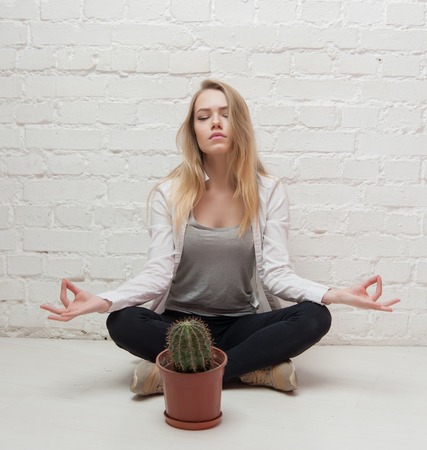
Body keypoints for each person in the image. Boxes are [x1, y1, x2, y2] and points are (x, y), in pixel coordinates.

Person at [40, 79, 400, 396]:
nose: (214, 122)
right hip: (178, 325)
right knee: (121, 321)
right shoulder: (169, 193)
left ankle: (176, 373)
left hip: (242, 324)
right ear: (193, 130)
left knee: (314, 316)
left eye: (225, 114)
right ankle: (254, 369)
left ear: (238, 123)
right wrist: (104, 300)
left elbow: (276, 274)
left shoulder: (269, 192)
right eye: (203, 116)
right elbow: (157, 275)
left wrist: (334, 295)